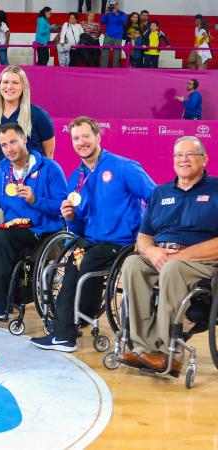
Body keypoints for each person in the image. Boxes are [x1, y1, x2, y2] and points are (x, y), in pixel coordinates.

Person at [29, 116, 155, 352]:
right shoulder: (75, 180)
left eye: (86, 136)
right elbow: (78, 230)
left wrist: (144, 235)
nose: (81, 142)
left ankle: (71, 326)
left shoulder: (123, 167)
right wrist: (70, 218)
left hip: (121, 242)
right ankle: (64, 331)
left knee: (85, 263)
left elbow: (155, 199)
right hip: (92, 241)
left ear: (98, 137)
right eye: (76, 138)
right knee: (66, 263)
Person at [119, 136, 218, 374]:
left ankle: (169, 353)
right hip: (162, 255)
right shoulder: (160, 193)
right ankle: (144, 349)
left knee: (173, 269)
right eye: (178, 155)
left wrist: (178, 257)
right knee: (133, 264)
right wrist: (152, 251)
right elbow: (143, 237)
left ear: (204, 159)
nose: (183, 160)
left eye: (190, 154)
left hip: (201, 261)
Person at [0, 123, 67, 320]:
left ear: (24, 140)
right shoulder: (2, 170)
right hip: (13, 229)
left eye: (12, 142)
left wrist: (36, 200)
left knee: (1, 239)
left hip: (42, 231)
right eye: (3, 145)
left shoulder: (49, 168)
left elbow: (62, 207)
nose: (9, 149)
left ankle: (2, 303)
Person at [0, 65, 55, 158]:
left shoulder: (39, 115)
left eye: (15, 82)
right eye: (5, 82)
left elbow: (49, 153)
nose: (9, 87)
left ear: (23, 87)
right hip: (4, 172)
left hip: (34, 172)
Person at [100, 0, 127, 68]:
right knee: (104, 53)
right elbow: (102, 22)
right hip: (108, 35)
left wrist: (117, 14)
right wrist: (105, 13)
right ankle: (103, 69)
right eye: (111, 5)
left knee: (117, 54)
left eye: (114, 4)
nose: (113, 6)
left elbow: (124, 22)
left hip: (118, 36)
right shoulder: (108, 13)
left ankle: (116, 70)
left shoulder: (121, 13)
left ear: (117, 5)